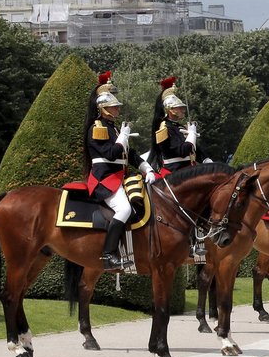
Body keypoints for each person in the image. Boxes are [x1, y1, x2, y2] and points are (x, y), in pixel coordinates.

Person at [84, 71, 156, 271]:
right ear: (103, 109)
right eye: (114, 107)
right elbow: (110, 153)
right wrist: (122, 137)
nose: (117, 109)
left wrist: (147, 168)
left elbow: (129, 154)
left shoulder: (114, 129)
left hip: (118, 177)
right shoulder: (97, 128)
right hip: (104, 179)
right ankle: (108, 255)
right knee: (124, 209)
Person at [149, 77, 212, 178]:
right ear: (170, 110)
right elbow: (182, 152)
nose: (183, 110)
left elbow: (194, 149)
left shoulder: (179, 126)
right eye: (180, 108)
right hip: (175, 172)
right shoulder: (164, 127)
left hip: (189, 169)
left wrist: (206, 159)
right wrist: (191, 135)